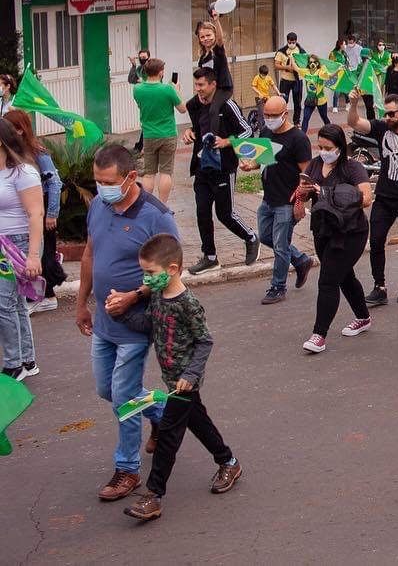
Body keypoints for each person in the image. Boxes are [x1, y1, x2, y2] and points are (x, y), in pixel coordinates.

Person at [111, 234, 242, 521]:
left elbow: (205, 341)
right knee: (199, 421)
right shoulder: (157, 296)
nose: (146, 280)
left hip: (184, 381)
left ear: (172, 269)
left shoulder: (188, 303)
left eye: (150, 273)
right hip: (172, 379)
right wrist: (120, 315)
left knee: (169, 436)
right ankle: (228, 461)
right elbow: (149, 324)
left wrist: (191, 374)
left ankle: (154, 495)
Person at [76, 143, 178, 502]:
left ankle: (127, 469)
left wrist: (133, 296)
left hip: (136, 322)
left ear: (131, 176)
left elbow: (171, 273)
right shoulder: (100, 207)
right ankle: (164, 410)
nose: (102, 188)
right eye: (97, 180)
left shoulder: (156, 216)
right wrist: (81, 303)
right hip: (103, 321)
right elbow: (90, 254)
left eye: (108, 181)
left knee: (123, 397)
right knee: (108, 390)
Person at [299, 125, 373, 353]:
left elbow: (366, 198)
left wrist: (331, 194)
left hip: (351, 233)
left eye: (328, 148)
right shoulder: (315, 164)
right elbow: (304, 192)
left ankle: (318, 335)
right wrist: (304, 192)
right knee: (344, 276)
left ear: (340, 147)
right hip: (323, 230)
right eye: (320, 147)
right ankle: (363, 317)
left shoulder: (353, 168)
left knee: (328, 280)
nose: (323, 152)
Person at [182, 68, 259, 274]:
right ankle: (210, 256)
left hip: (224, 167)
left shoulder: (228, 105)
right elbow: (197, 128)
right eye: (196, 85)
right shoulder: (194, 105)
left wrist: (227, 142)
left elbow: (248, 130)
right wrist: (189, 132)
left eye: (201, 85)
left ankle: (250, 237)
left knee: (225, 214)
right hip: (201, 168)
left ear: (213, 84)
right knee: (202, 211)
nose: (198, 89)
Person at [349, 90, 398, 306]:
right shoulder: (382, 128)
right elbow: (355, 122)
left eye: (392, 114)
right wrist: (353, 104)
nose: (387, 118)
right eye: (386, 114)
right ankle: (379, 287)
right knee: (376, 240)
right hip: (383, 196)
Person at [244, 96, 314, 305]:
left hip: (287, 201)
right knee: (266, 236)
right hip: (268, 200)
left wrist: (300, 202)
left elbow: (306, 174)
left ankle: (278, 286)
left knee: (281, 246)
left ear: (285, 114)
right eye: (266, 115)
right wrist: (251, 166)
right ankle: (301, 260)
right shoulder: (266, 132)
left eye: (274, 115)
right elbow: (264, 159)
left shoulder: (298, 139)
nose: (270, 119)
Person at [5, 111, 63, 315]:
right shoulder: (14, 153)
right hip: (26, 206)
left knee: (42, 253)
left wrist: (52, 213)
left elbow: (54, 182)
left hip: (42, 206)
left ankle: (47, 295)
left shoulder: (37, 152)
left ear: (20, 129)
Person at [0, 119, 43, 380]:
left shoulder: (23, 173)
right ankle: (26, 360)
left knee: (3, 304)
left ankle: (13, 364)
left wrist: (33, 255)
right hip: (1, 243)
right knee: (14, 303)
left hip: (17, 243)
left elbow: (35, 213)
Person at [131, 59, 185, 205]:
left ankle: (147, 205)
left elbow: (140, 104)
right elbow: (182, 109)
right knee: (166, 172)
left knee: (149, 174)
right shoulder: (168, 89)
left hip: (149, 135)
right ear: (161, 72)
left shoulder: (137, 89)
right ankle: (162, 205)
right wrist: (177, 91)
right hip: (168, 134)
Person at [196, 11, 232, 95]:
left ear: (214, 36)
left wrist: (216, 20)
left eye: (208, 35)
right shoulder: (202, 58)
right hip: (209, 90)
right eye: (202, 37)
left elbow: (220, 39)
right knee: (191, 105)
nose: (206, 38)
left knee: (213, 108)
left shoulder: (217, 51)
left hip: (222, 89)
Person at [274, 33, 304, 125]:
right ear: (287, 41)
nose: (292, 43)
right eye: (290, 42)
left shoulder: (300, 51)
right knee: (283, 101)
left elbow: (305, 62)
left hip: (297, 80)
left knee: (297, 102)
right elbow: (276, 65)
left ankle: (296, 122)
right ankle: (281, 121)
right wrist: (287, 67)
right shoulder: (281, 52)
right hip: (285, 80)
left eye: (294, 42)